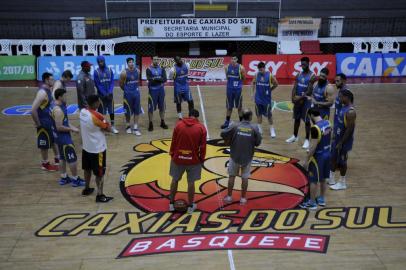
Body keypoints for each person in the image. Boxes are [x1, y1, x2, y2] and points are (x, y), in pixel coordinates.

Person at [221, 109, 262, 205]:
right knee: (245, 177)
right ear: (250, 117)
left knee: (232, 176)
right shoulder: (254, 128)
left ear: (242, 116)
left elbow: (223, 133)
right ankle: (243, 199)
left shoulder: (234, 125)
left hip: (234, 155)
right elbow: (258, 142)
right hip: (247, 156)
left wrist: (229, 139)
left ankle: (229, 197)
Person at [169, 109, 207, 213]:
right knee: (191, 182)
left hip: (178, 159)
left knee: (174, 180)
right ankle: (190, 206)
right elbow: (203, 147)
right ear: (197, 117)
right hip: (193, 160)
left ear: (189, 115)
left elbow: (174, 141)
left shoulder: (179, 125)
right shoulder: (201, 128)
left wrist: (172, 154)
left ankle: (171, 204)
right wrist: (201, 159)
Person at [79, 95, 113, 203]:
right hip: (98, 149)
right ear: (95, 103)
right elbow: (108, 128)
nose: (99, 103)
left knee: (87, 169)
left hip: (86, 147)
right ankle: (100, 195)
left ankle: (87, 188)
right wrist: (106, 122)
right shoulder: (96, 117)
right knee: (100, 173)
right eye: (98, 101)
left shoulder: (82, 112)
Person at [51, 88, 86, 187]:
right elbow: (59, 127)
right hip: (63, 138)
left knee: (62, 157)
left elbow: (65, 122)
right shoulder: (58, 110)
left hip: (59, 138)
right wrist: (72, 130)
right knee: (72, 158)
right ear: (60, 97)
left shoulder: (57, 105)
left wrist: (73, 127)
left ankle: (64, 178)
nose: (66, 97)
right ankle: (75, 180)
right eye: (65, 95)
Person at [300, 108, 332, 210]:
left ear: (311, 116)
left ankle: (312, 203)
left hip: (318, 157)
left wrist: (306, 160)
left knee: (313, 180)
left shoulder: (315, 128)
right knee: (323, 178)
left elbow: (313, 147)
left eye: (309, 117)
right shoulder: (328, 122)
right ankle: (321, 199)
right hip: (327, 154)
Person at [31, 72, 59, 171]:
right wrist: (38, 124)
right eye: (51, 79)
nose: (53, 81)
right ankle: (45, 164)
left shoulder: (48, 90)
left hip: (49, 121)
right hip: (43, 122)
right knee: (44, 144)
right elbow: (33, 110)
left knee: (53, 140)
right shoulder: (42, 92)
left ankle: (57, 159)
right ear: (46, 80)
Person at [286, 57, 316, 149]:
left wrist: (299, 98)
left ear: (308, 64)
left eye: (304, 64)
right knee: (297, 119)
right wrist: (292, 98)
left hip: (306, 101)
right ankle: (295, 136)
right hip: (298, 101)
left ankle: (307, 139)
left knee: (307, 121)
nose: (303, 66)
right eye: (302, 64)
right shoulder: (299, 74)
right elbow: (295, 87)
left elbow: (309, 91)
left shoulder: (312, 75)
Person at [330, 89, 356, 190]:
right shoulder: (343, 107)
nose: (339, 98)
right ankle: (331, 178)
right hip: (337, 138)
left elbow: (349, 130)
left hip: (344, 142)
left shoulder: (350, 112)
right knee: (332, 157)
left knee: (342, 162)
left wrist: (341, 142)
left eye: (340, 97)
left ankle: (342, 182)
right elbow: (339, 124)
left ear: (347, 97)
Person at [251, 61, 279, 137]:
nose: (260, 71)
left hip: (266, 99)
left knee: (269, 115)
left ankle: (272, 129)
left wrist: (270, 89)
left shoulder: (270, 75)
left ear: (264, 68)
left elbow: (276, 84)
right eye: (259, 70)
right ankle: (260, 129)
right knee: (258, 114)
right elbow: (253, 83)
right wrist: (252, 93)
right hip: (258, 99)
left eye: (261, 69)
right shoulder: (257, 75)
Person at [94, 56, 119, 134]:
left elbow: (112, 82)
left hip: (110, 95)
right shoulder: (96, 72)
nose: (101, 63)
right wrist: (104, 93)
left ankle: (113, 126)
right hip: (101, 96)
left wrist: (110, 92)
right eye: (99, 62)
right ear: (98, 62)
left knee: (111, 111)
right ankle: (103, 127)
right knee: (101, 112)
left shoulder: (109, 70)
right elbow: (97, 84)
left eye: (102, 61)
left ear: (104, 61)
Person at [221, 55, 246, 129]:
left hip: (238, 89)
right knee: (229, 106)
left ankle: (241, 122)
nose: (233, 60)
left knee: (239, 107)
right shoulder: (226, 67)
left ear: (237, 59)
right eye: (232, 59)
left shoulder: (241, 68)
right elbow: (227, 77)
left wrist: (237, 84)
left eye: (234, 59)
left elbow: (244, 78)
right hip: (229, 89)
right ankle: (227, 122)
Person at [119, 57, 142, 135]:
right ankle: (128, 125)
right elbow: (121, 84)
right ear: (127, 63)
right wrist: (127, 90)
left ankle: (135, 127)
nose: (131, 63)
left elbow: (137, 82)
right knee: (127, 111)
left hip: (136, 94)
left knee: (137, 110)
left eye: (132, 62)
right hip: (128, 95)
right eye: (130, 62)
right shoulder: (124, 73)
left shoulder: (138, 71)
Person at [146, 56, 168, 131]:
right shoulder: (148, 69)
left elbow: (164, 79)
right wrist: (159, 79)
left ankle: (162, 122)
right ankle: (150, 123)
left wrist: (155, 78)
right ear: (152, 60)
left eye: (157, 59)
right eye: (154, 59)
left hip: (161, 90)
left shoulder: (162, 68)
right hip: (152, 91)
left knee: (162, 107)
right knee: (150, 108)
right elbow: (150, 80)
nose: (156, 61)